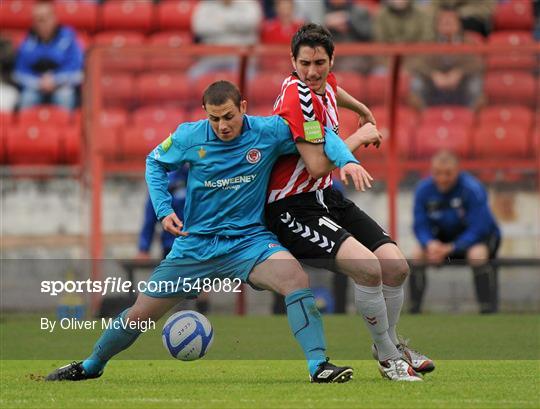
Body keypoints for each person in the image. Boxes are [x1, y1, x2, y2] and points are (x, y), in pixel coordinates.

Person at [46, 80, 369, 383]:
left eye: (228, 116)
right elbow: (154, 163)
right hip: (195, 246)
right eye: (214, 119)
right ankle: (91, 365)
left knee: (294, 279)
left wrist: (348, 160)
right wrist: (164, 209)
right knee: (139, 315)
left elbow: (321, 134)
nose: (222, 125)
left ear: (243, 107)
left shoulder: (268, 131)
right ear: (205, 114)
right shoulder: (190, 136)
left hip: (248, 242)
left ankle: (318, 365)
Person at [265, 23, 434, 381]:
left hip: (326, 198)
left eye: (320, 63)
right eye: (305, 64)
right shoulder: (297, 99)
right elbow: (315, 165)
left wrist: (362, 108)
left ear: (331, 60)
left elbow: (334, 90)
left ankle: (386, 342)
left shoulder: (322, 84)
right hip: (293, 207)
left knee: (396, 265)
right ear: (292, 61)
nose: (313, 72)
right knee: (368, 268)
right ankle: (390, 359)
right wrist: (359, 137)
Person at [409, 150, 501, 314]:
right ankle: (414, 310)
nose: (442, 178)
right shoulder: (423, 190)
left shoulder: (472, 189)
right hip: (441, 241)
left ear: (457, 171)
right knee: (417, 254)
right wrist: (430, 244)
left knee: (477, 255)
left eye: (448, 173)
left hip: (473, 242)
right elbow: (420, 224)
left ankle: (487, 310)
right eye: (437, 173)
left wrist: (453, 247)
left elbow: (479, 227)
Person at [136, 166, 210, 314]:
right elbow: (151, 215)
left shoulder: (204, 177)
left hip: (200, 244)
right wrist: (144, 248)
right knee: (175, 290)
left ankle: (200, 319)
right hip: (172, 246)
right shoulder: (166, 181)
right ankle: (179, 322)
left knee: (201, 289)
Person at [408, 6, 483, 110]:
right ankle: (423, 119)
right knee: (417, 83)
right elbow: (416, 63)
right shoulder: (429, 42)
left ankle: (471, 118)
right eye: (443, 21)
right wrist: (433, 74)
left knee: (475, 84)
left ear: (459, 24)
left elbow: (478, 63)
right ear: (436, 25)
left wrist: (459, 72)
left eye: (451, 21)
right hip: (434, 85)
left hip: (460, 86)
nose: (447, 23)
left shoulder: (468, 42)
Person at [13, 0, 83, 110]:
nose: (42, 23)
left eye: (45, 18)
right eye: (38, 20)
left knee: (64, 96)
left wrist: (55, 80)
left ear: (55, 18)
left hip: (62, 86)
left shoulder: (69, 38)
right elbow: (19, 73)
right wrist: (39, 82)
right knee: (27, 97)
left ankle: (66, 127)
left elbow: (78, 72)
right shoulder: (27, 41)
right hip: (35, 87)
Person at [189, 0, 262, 78]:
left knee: (251, 80)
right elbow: (199, 27)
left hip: (241, 59)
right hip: (212, 57)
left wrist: (219, 21)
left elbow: (250, 23)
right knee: (193, 76)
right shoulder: (206, 4)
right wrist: (236, 24)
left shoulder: (249, 3)